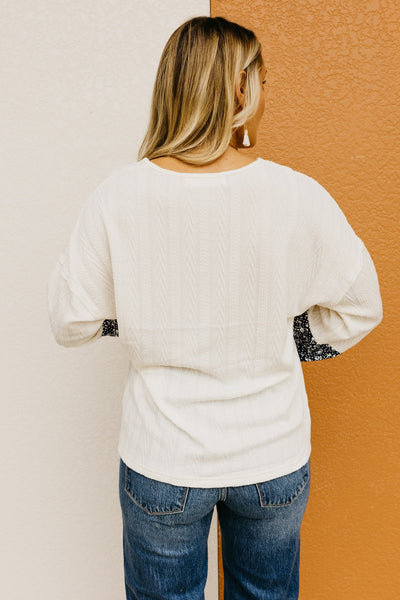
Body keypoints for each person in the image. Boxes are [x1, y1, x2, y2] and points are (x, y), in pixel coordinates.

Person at [47, 15, 383, 600]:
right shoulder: (296, 194)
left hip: (164, 458)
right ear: (241, 88)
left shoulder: (118, 196)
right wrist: (282, 334)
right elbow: (361, 307)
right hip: (271, 454)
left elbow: (70, 319)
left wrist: (149, 314)